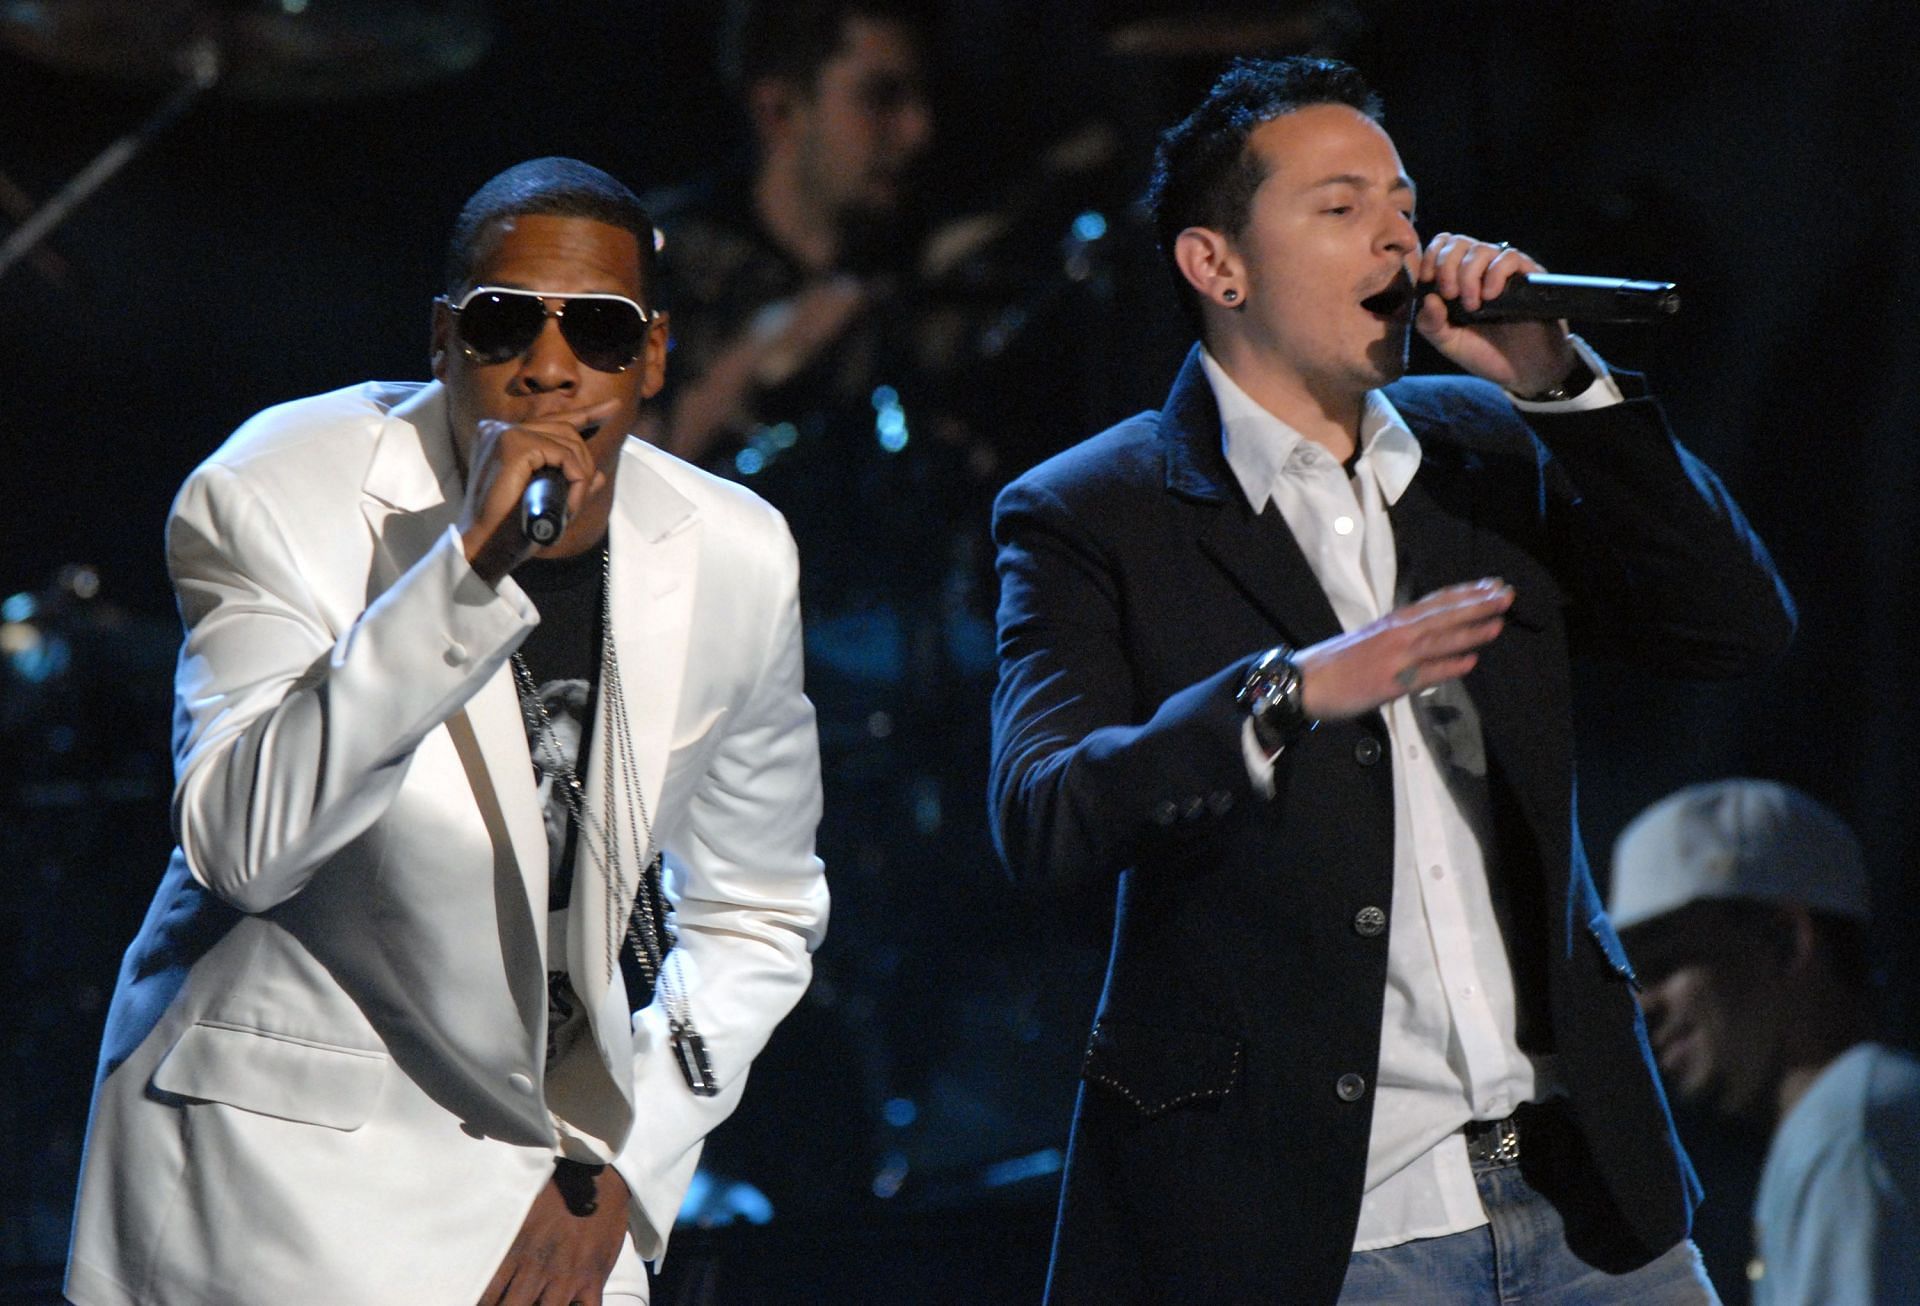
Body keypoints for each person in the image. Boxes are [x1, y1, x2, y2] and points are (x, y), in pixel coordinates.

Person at [987, 57, 1796, 1304]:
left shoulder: (1484, 447)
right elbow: (1044, 812)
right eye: (1341, 205)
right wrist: (1285, 693)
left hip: (1588, 1197)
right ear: (1218, 265)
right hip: (1318, 1227)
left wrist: (1555, 381)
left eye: (1404, 203)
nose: (1399, 234)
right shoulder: (1091, 513)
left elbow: (1738, 627)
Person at [64, 157, 828, 1306]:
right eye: (505, 322)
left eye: (602, 333)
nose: (550, 366)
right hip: (273, 1194)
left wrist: (626, 1162)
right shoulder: (276, 490)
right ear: (444, 340)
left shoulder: (736, 551)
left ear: (654, 357)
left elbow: (757, 912)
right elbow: (247, 845)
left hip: (553, 1206)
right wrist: (464, 573)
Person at [1610, 779, 1920, 1306]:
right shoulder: (1848, 1119)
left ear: (1785, 941)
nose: (1642, 1007)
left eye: (1664, 965)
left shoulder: (1852, 1128)